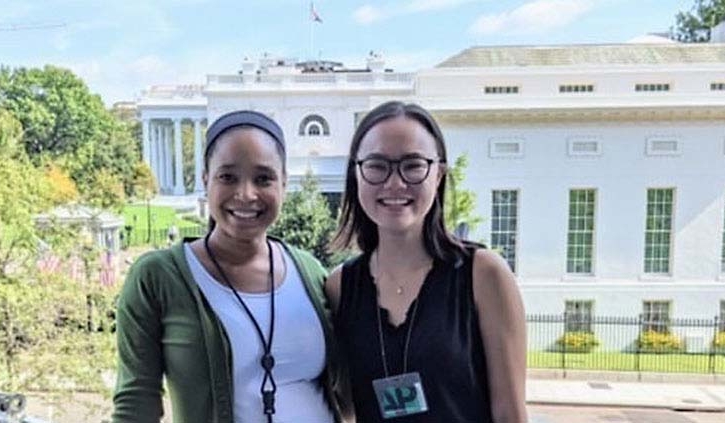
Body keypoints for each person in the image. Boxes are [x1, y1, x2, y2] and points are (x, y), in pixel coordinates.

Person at [113, 110, 343, 422]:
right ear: (206, 180)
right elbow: (136, 402)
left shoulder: (310, 272)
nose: (246, 194)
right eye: (228, 177)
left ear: (284, 184)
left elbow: (345, 389)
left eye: (263, 179)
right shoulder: (158, 278)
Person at [325, 101, 527, 422]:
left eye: (413, 165)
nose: (395, 182)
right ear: (356, 173)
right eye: (377, 165)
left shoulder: (484, 274)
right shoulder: (340, 286)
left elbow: (510, 414)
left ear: (439, 174)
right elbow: (347, 407)